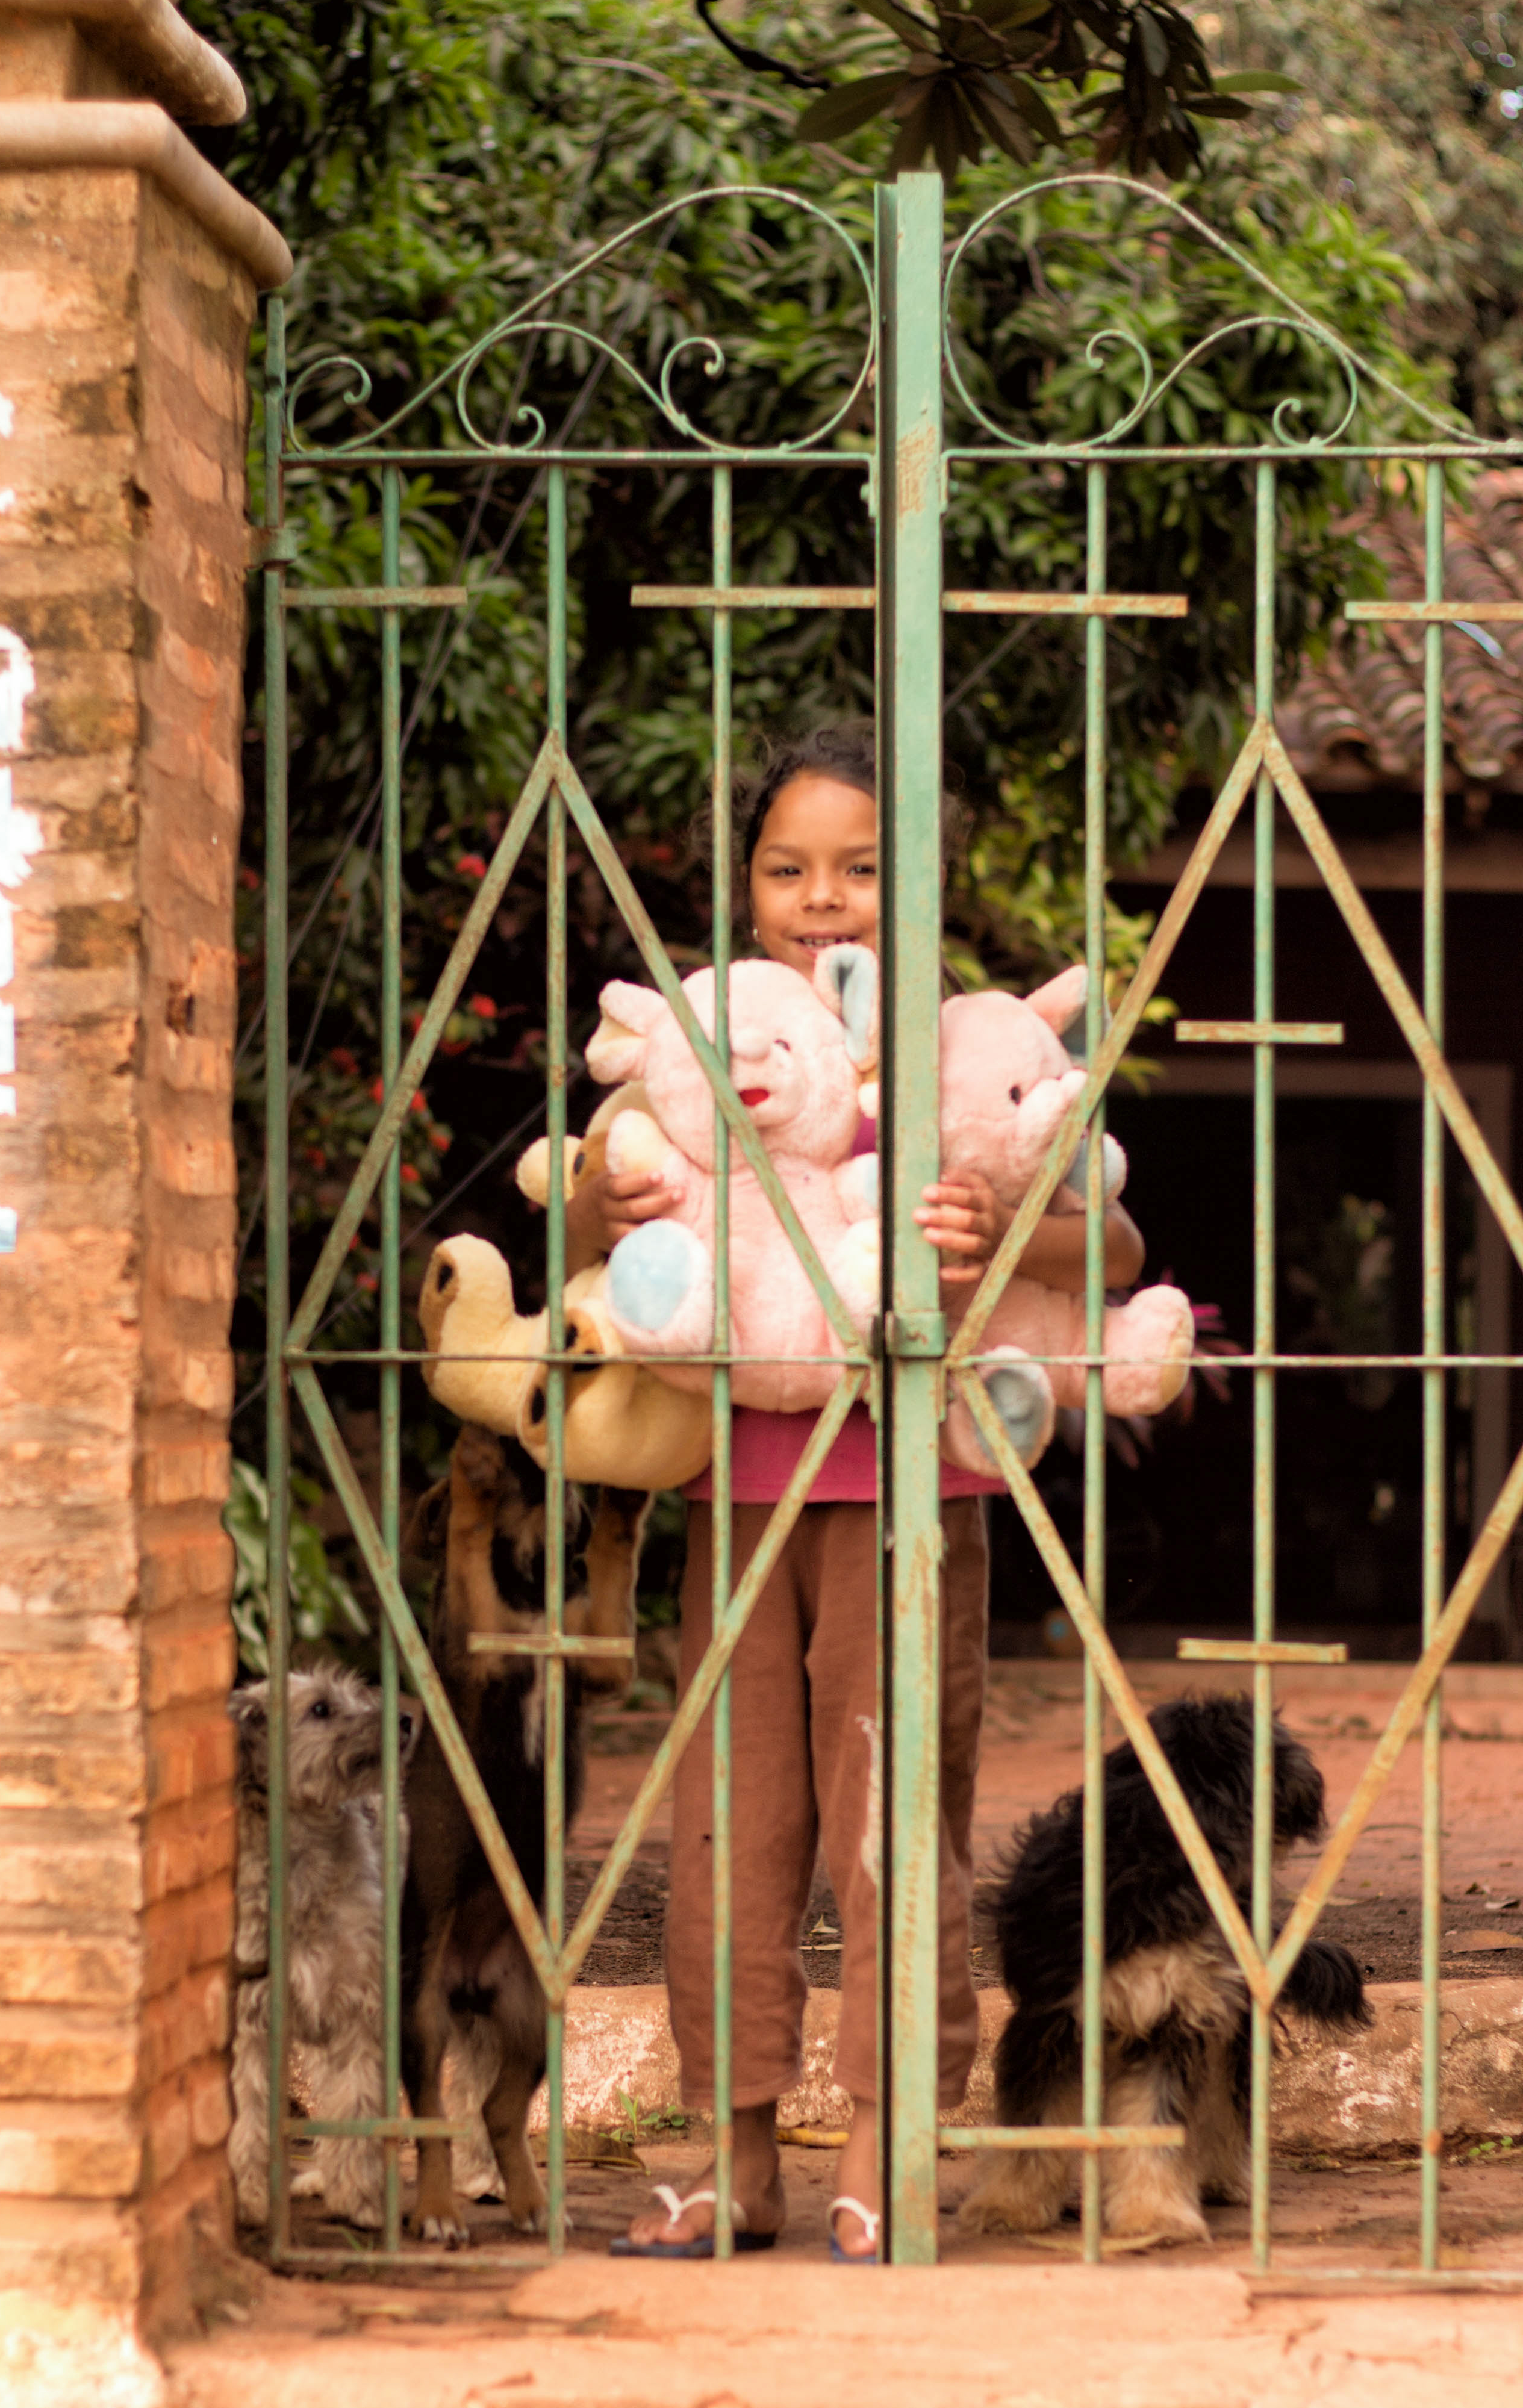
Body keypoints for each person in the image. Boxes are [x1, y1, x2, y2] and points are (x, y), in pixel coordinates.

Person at [568, 722, 1145, 2259]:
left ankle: (888, 2143)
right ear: (743, 886)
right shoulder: (713, 1040)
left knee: (893, 1833)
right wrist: (603, 1192)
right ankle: (736, 2151)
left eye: (860, 868)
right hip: (742, 1503)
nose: (822, 898)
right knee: (728, 1831)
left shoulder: (978, 1052)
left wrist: (998, 1232)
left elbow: (1124, 1255)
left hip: (912, 1502)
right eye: (787, 866)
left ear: (918, 887)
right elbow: (603, 1228)